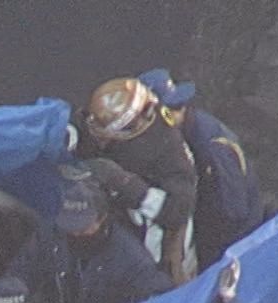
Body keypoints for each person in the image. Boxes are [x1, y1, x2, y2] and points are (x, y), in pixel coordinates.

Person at [80, 70, 265, 278]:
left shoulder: (213, 150)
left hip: (235, 239)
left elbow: (231, 214)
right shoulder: (179, 135)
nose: (171, 115)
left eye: (176, 107)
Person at [8, 176, 174, 303]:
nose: (74, 234)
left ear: (102, 219)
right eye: (69, 227)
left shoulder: (131, 259)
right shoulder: (50, 235)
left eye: (82, 229)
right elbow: (20, 273)